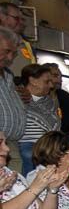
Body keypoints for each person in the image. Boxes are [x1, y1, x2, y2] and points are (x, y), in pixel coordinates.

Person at [15, 64, 60, 172]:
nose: (51, 86)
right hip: (25, 144)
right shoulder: (16, 98)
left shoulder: (50, 102)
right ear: (33, 80)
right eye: (46, 82)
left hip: (48, 145)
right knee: (30, 154)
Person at [0, 29, 27, 158]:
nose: (10, 58)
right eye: (6, 51)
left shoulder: (8, 76)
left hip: (13, 145)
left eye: (13, 53)